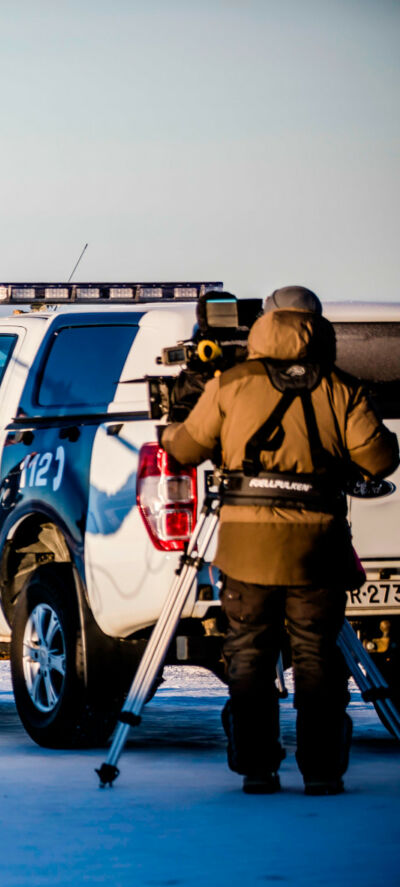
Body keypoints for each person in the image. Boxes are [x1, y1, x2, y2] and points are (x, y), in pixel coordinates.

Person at [162, 285, 398, 796]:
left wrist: (182, 408)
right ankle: (323, 772)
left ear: (263, 325)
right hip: (318, 545)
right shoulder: (341, 387)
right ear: (322, 328)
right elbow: (380, 461)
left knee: (247, 649)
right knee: (316, 654)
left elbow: (182, 449)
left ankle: (256, 769)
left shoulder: (232, 383)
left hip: (246, 545)